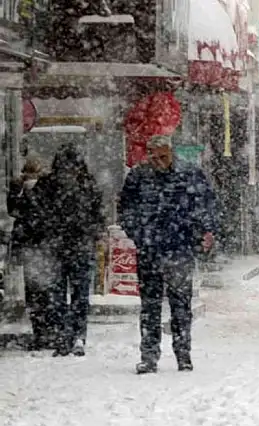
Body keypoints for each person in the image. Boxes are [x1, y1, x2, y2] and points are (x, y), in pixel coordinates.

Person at [119, 134, 218, 374]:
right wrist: (139, 235)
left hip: (180, 249)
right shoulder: (138, 177)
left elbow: (207, 205)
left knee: (181, 305)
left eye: (163, 156)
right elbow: (125, 210)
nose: (158, 161)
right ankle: (149, 355)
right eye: (154, 156)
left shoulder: (190, 175)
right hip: (150, 250)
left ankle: (183, 354)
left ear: (171, 152)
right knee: (150, 306)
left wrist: (206, 232)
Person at [35, 144, 105, 357]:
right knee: (68, 295)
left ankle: (70, 335)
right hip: (67, 246)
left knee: (70, 295)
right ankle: (71, 335)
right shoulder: (85, 185)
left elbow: (97, 216)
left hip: (66, 246)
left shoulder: (51, 186)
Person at [8, 158, 56, 350]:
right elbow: (15, 211)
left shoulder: (46, 188)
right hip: (34, 242)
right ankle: (42, 331)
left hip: (41, 242)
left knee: (43, 290)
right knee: (37, 290)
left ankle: (45, 331)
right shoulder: (18, 188)